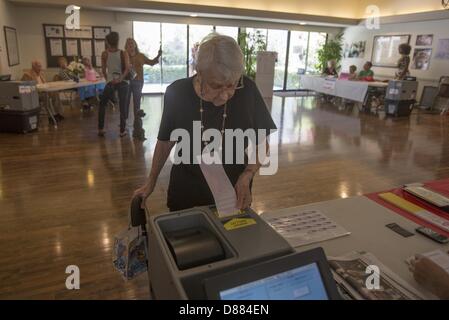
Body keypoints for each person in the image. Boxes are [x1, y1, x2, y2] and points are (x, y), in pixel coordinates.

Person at [133, 34, 277, 212]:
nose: (225, 95)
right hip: (187, 195)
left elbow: (262, 144)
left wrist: (247, 175)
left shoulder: (248, 90)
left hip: (234, 196)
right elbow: (165, 143)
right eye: (216, 86)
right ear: (199, 72)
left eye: (232, 85)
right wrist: (151, 181)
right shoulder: (177, 93)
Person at [124, 38, 162, 140]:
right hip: (127, 82)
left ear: (135, 45)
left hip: (138, 82)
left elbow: (151, 62)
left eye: (132, 44)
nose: (130, 45)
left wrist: (158, 55)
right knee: (125, 102)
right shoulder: (124, 56)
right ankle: (124, 123)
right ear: (126, 46)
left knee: (137, 103)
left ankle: (137, 125)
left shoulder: (140, 56)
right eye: (128, 44)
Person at [98, 31, 130, 137]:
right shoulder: (123, 53)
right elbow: (127, 68)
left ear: (107, 42)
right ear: (117, 41)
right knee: (123, 105)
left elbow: (103, 70)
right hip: (123, 82)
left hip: (110, 82)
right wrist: (120, 78)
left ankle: (101, 128)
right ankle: (122, 131)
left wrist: (109, 80)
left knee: (102, 104)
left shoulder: (104, 53)